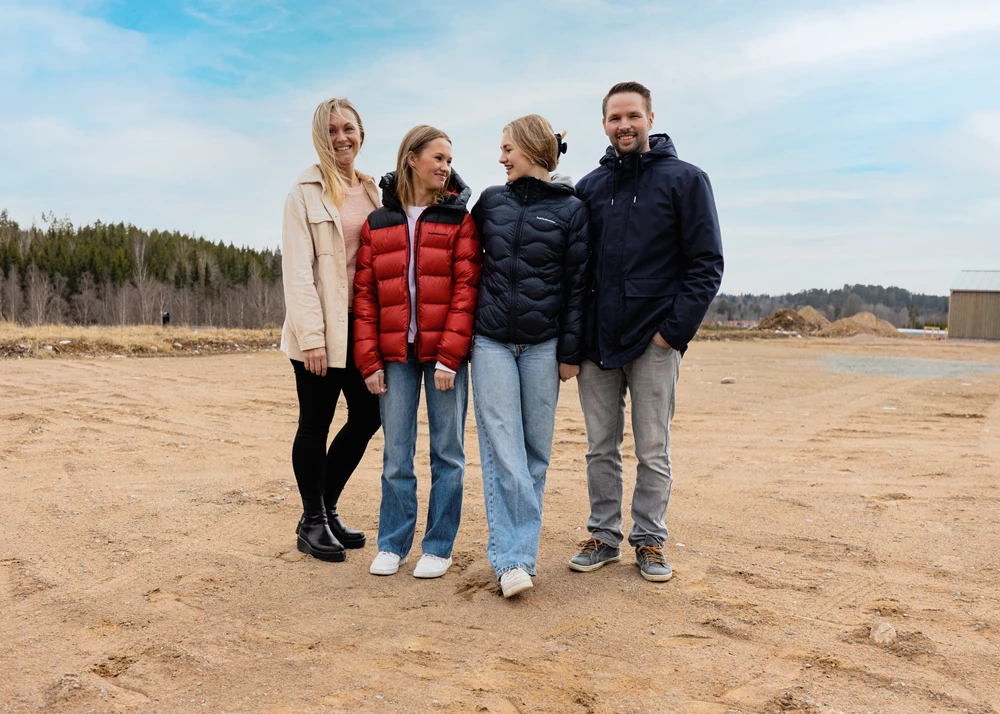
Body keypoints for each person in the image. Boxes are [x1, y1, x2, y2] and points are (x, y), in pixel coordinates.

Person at [569, 81, 724, 581]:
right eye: (615, 118)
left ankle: (650, 539)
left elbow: (706, 264)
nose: (624, 125)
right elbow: (578, 268)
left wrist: (670, 334)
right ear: (604, 125)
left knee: (653, 448)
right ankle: (603, 536)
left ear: (650, 119)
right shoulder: (590, 188)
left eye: (633, 116)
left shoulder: (686, 180)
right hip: (598, 343)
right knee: (600, 448)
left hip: (654, 341)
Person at [470, 115, 590, 598]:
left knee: (535, 451)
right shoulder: (490, 201)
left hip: (544, 345)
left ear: (533, 150)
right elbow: (462, 255)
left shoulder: (572, 210)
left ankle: (519, 552)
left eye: (507, 149)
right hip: (491, 340)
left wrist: (570, 350)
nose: (500, 158)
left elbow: (579, 287)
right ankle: (512, 560)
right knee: (504, 449)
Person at [353, 125, 481, 579]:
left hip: (443, 356)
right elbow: (365, 296)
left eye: (449, 159)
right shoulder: (379, 222)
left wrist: (450, 356)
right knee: (396, 454)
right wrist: (369, 361)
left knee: (448, 453)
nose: (446, 167)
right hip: (393, 355)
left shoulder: (459, 219)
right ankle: (392, 543)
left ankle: (438, 546)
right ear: (412, 158)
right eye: (438, 158)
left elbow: (467, 291)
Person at [280, 97, 383, 563]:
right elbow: (298, 271)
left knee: (367, 417)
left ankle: (326, 506)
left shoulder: (373, 189)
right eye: (332, 130)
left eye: (349, 128)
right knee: (315, 424)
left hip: (361, 327)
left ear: (361, 132)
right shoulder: (304, 192)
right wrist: (312, 339)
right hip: (319, 330)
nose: (342, 137)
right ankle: (313, 522)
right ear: (320, 137)